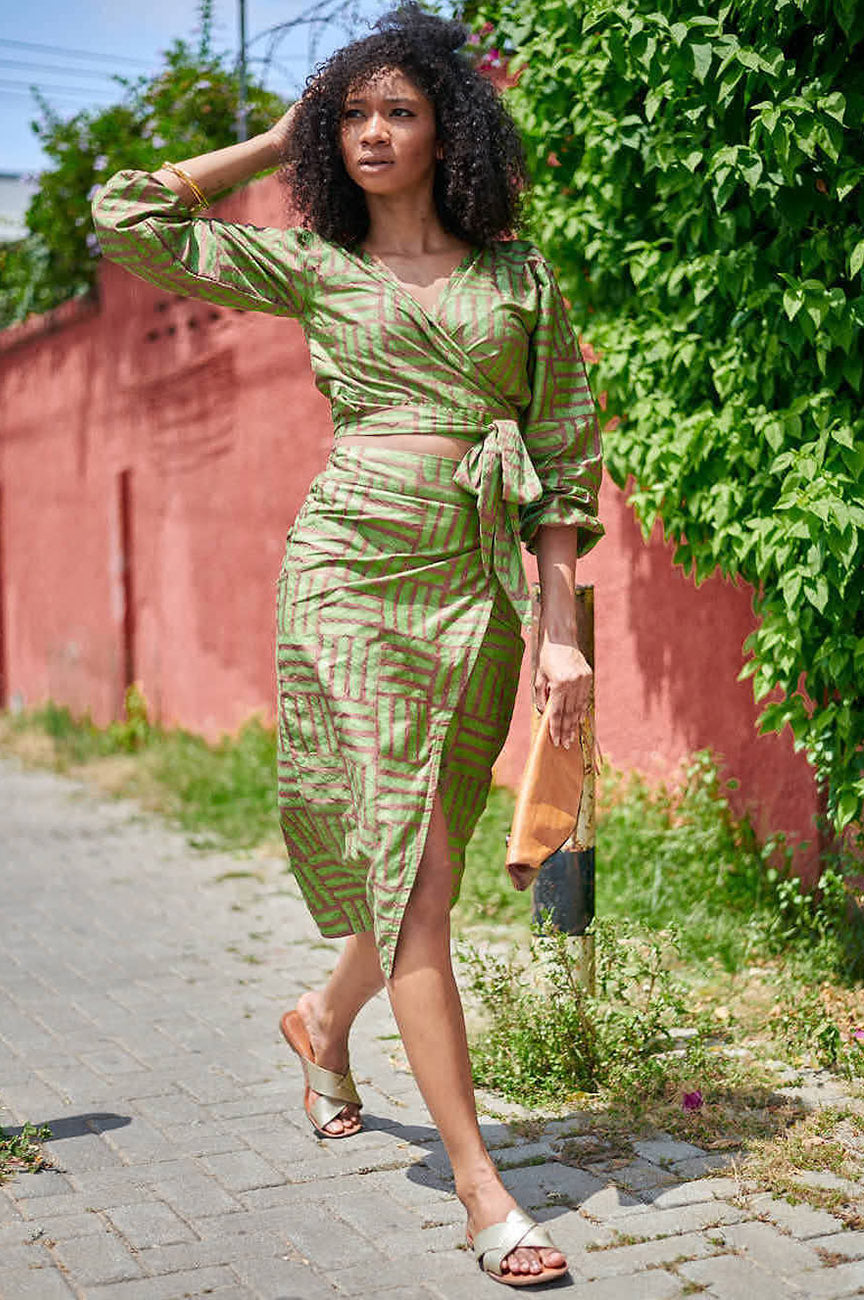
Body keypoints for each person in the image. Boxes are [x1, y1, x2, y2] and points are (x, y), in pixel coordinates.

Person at [92, 3, 603, 1286]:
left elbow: (562, 460)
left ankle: (323, 1022)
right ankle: (483, 1192)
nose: (372, 133)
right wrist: (277, 140)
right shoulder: (315, 265)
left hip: (476, 582)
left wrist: (560, 631)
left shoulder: (519, 279)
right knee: (415, 875)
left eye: (398, 111)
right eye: (352, 113)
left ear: (446, 130)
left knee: (429, 853)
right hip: (348, 576)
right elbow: (127, 218)